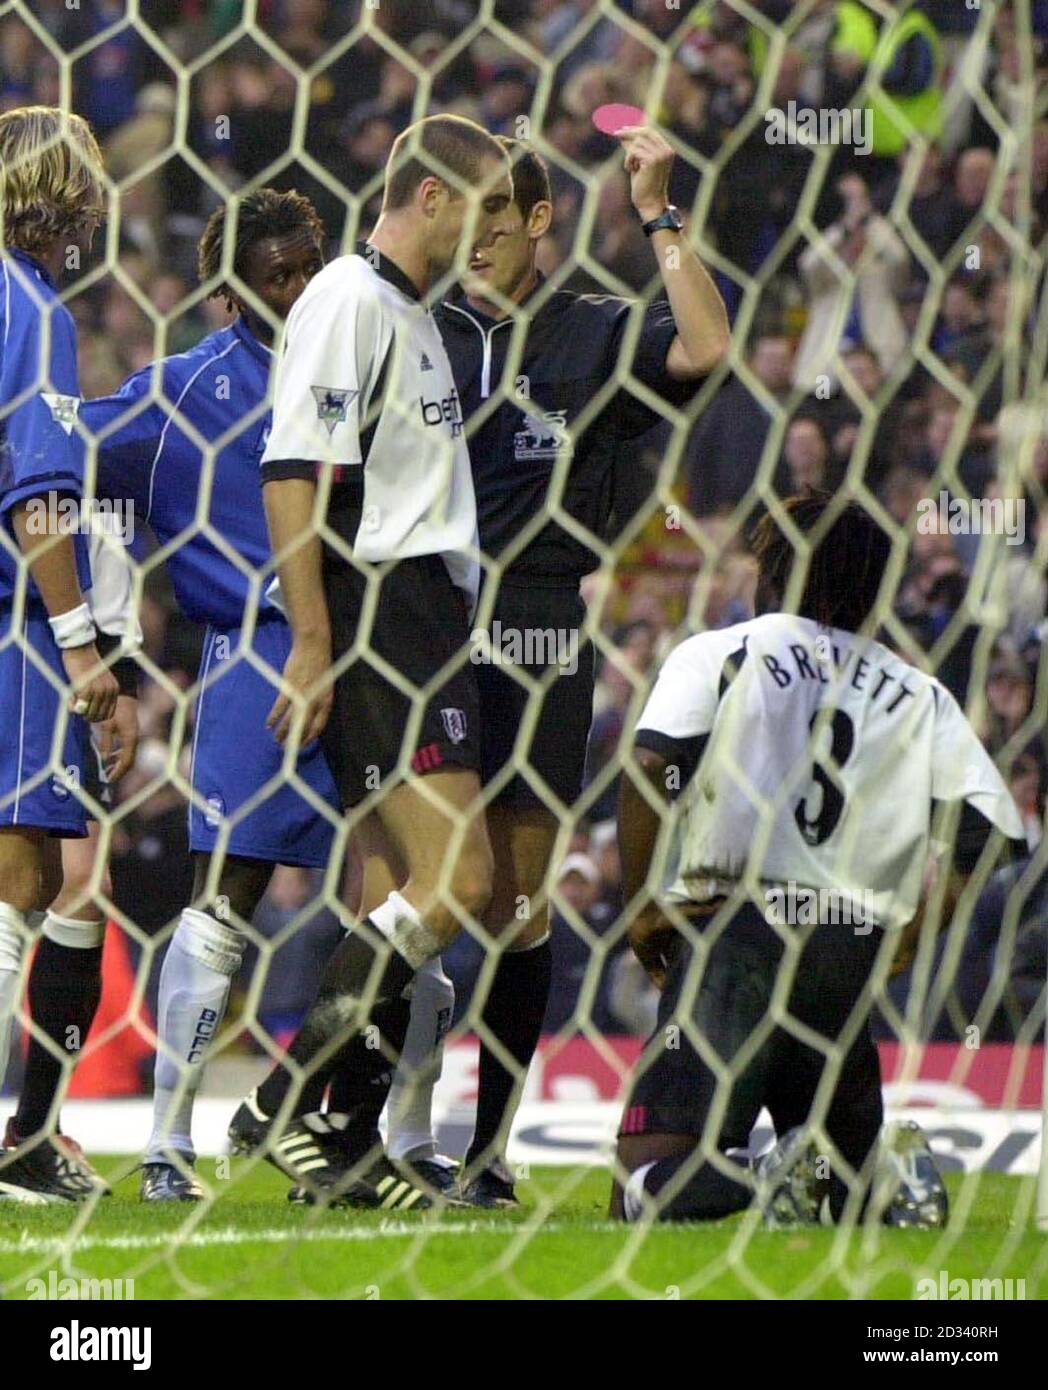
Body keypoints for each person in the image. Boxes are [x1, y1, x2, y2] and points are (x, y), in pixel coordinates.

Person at [326, 132, 730, 1207]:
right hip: (419, 620)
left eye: (501, 213)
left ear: (541, 219)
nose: (481, 234)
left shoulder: (594, 329)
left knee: (512, 899)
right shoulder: (420, 329)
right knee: (398, 886)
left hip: (541, 628)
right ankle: (373, 1133)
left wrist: (657, 213)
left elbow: (703, 349)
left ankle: (487, 1153)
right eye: (468, 213)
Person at [227, 115, 515, 1209]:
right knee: (462, 881)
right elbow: (292, 471)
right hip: (386, 611)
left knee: (393, 890)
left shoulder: (410, 314)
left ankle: (338, 1147)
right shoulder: (347, 298)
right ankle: (285, 1099)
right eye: (483, 207)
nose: (489, 233)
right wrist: (312, 639)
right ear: (433, 196)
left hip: (424, 614)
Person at [611, 494, 1025, 1225]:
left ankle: (770, 1178)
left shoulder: (724, 650)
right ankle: (877, 1181)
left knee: (645, 1188)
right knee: (841, 1188)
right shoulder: (915, 689)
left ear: (775, 567)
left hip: (736, 936)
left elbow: (650, 765)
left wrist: (644, 903)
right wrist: (911, 933)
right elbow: (988, 830)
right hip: (842, 952)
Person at [0, 106, 121, 1202]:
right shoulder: (34, 312)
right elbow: (38, 501)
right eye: (86, 186)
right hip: (14, 636)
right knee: (24, 871)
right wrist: (82, 650)